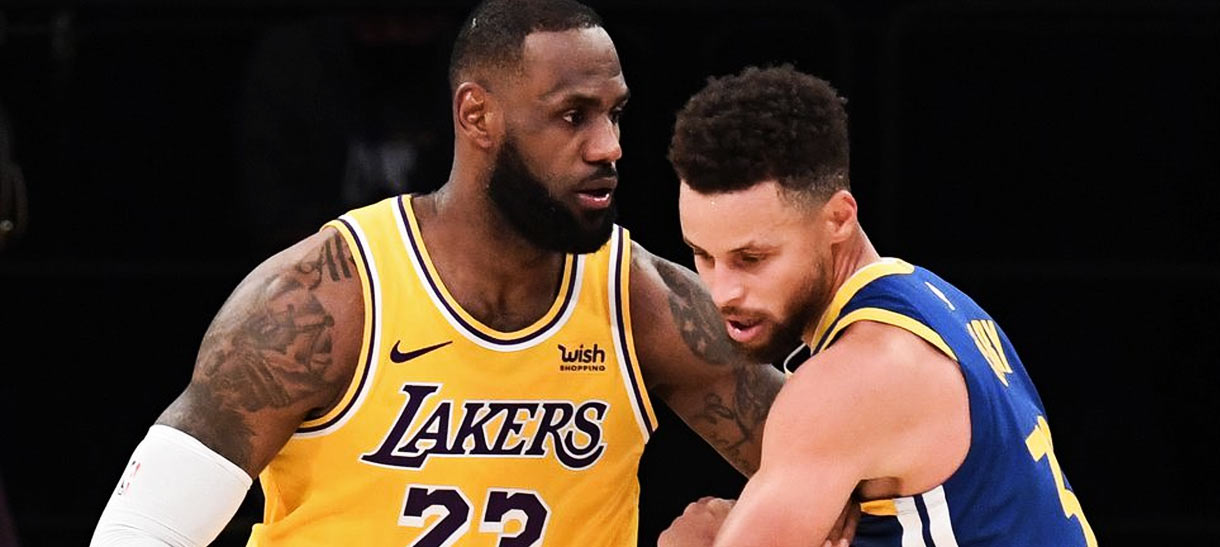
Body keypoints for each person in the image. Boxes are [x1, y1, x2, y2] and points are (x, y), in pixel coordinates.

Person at [89, 2, 788, 546]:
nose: (608, 146)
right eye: (573, 115)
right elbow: (143, 530)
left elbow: (839, 465)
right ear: (477, 115)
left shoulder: (641, 301)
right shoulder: (323, 298)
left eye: (615, 114)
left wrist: (749, 530)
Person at [658, 65, 1095, 546]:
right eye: (702, 255)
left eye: (751, 259)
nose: (723, 292)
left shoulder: (854, 378)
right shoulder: (937, 303)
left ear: (838, 219)